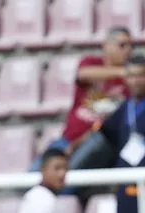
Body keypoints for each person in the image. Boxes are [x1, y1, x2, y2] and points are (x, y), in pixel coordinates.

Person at [33, 26, 131, 171]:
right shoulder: (91, 62)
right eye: (122, 45)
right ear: (106, 45)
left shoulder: (131, 83)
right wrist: (127, 72)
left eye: (130, 46)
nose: (127, 50)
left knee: (62, 176)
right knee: (31, 176)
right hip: (67, 140)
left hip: (96, 143)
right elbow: (83, 74)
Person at [97, 52, 145, 213]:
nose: (135, 81)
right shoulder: (123, 109)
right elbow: (111, 139)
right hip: (127, 195)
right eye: (131, 75)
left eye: (140, 76)